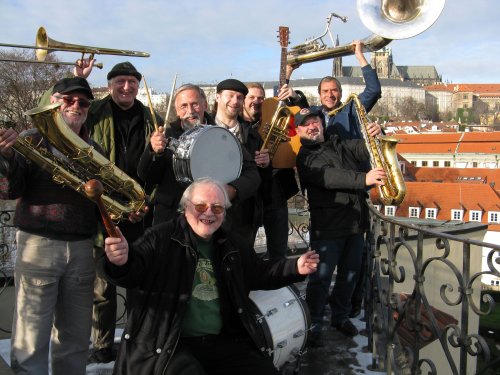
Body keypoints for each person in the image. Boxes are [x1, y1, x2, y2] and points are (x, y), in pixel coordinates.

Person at [98, 177, 319, 375]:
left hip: (222, 340)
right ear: (185, 208)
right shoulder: (160, 238)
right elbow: (132, 271)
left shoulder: (232, 243)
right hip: (170, 343)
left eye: (217, 208)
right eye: (200, 206)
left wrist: (295, 268)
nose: (209, 213)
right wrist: (120, 261)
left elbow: (258, 273)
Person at [0, 77, 99, 374]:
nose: (75, 106)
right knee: (31, 338)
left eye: (83, 102)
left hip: (82, 249)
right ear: (53, 101)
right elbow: (10, 190)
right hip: (38, 246)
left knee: (76, 338)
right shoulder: (30, 139)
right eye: (68, 99)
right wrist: (4, 157)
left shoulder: (95, 148)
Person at [76, 60, 164, 364]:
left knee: (141, 277)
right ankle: (102, 345)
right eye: (120, 82)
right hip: (104, 209)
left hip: (141, 210)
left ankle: (139, 337)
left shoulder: (154, 117)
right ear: (110, 84)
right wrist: (79, 79)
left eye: (132, 82)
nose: (126, 87)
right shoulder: (95, 112)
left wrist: (147, 203)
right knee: (103, 284)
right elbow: (65, 112)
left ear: (138, 86)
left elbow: (160, 168)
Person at [294, 107, 386, 346]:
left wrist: (378, 134)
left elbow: (366, 147)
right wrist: (363, 179)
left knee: (350, 276)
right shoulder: (305, 156)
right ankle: (313, 322)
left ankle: (340, 316)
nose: (313, 126)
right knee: (321, 279)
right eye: (307, 124)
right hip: (328, 228)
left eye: (316, 121)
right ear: (300, 130)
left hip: (355, 222)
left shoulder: (341, 143)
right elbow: (329, 177)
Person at [242, 79, 305, 260]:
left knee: (278, 249)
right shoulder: (236, 126)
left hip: (275, 192)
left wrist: (294, 95)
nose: (257, 101)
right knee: (244, 248)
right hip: (249, 196)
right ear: (243, 100)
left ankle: (277, 281)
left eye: (261, 98)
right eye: (251, 97)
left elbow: (304, 115)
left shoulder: (274, 118)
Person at [137, 83, 214, 225]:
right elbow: (146, 175)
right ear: (177, 111)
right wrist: (153, 152)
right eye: (184, 106)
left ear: (205, 105)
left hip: (210, 218)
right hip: (171, 219)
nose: (190, 111)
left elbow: (245, 170)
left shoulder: (221, 135)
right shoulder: (165, 136)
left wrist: (232, 189)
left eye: (195, 104)